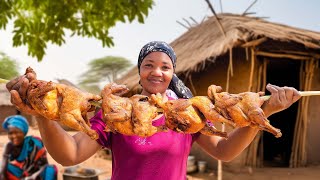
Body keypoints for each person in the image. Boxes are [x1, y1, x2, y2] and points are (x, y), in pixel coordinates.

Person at [6, 41, 301, 179]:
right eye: (148, 65)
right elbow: (69, 154)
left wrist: (262, 114)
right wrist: (42, 113)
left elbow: (224, 150)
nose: (157, 72)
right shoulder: (115, 114)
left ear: (172, 73)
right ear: (139, 71)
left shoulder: (186, 116)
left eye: (165, 67)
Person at [0, 115, 57, 180]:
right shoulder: (9, 146)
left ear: (23, 132)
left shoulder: (34, 143)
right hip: (20, 176)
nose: (14, 136)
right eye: (10, 133)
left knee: (50, 170)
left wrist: (32, 177)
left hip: (36, 176)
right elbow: (2, 171)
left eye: (17, 132)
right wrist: (5, 154)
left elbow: (44, 165)